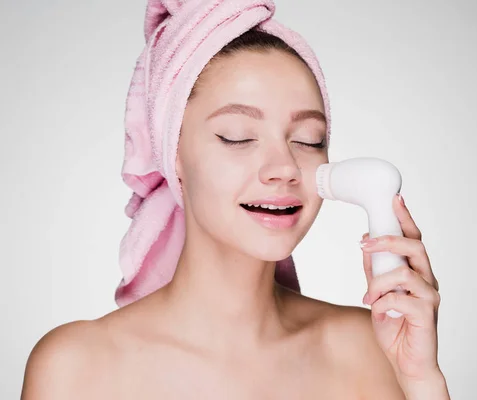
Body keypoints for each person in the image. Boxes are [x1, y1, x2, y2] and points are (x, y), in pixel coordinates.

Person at [21, 7, 450, 400]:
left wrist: (420, 380)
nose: (284, 167)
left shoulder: (374, 347)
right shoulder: (75, 368)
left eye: (308, 140)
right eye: (238, 137)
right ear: (173, 156)